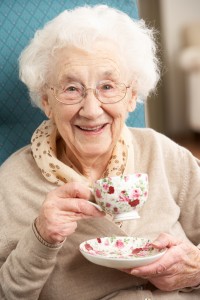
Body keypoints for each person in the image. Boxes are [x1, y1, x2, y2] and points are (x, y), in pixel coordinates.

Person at [0, 4, 199, 300]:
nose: (92, 111)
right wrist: (40, 237)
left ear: (132, 97)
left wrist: (195, 270)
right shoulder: (12, 183)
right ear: (46, 101)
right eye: (71, 89)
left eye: (107, 86)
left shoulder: (164, 153)